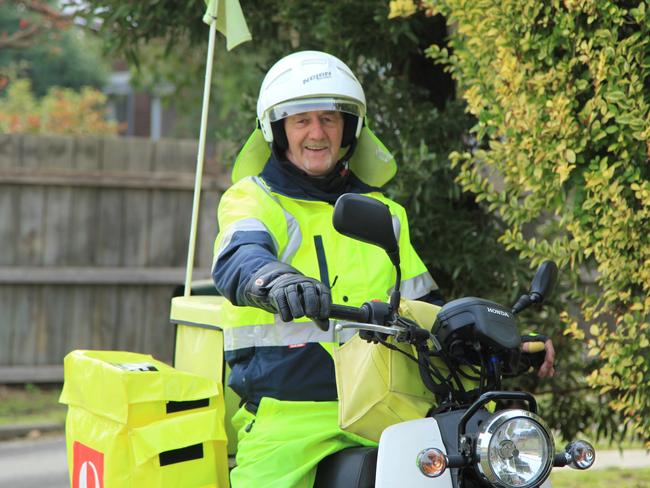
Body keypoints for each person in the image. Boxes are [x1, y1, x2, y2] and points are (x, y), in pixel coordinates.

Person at [211, 50, 554, 487]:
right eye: (301, 120)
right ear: (277, 130)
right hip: (292, 419)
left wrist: (500, 343)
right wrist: (275, 280)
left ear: (349, 129)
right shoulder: (254, 200)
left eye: (330, 119)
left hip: (390, 410)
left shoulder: (385, 213)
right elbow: (238, 256)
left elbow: (427, 312)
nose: (317, 133)